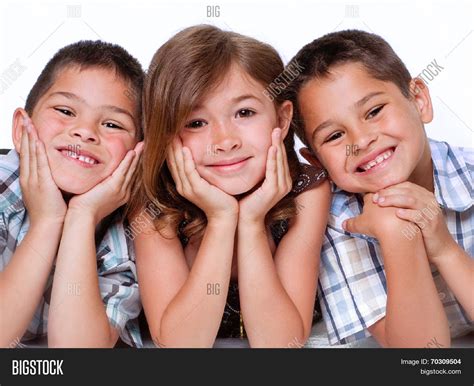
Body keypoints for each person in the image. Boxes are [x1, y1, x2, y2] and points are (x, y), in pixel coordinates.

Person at [128, 25, 331, 348]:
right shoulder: (155, 201)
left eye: (244, 112)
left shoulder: (307, 190)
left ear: (281, 119)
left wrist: (251, 222)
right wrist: (222, 220)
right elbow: (181, 345)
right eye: (195, 123)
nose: (224, 141)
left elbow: (281, 343)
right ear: (166, 134)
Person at [285, 29, 473, 347]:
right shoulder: (337, 221)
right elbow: (422, 360)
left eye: (374, 112)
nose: (361, 141)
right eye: (334, 136)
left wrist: (444, 249)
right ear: (317, 161)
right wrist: (396, 235)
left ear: (419, 100)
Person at [0, 40, 144, 348]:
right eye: (66, 111)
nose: (85, 131)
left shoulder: (131, 232)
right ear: (22, 129)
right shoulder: (3, 188)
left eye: (112, 124)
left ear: (138, 155)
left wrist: (82, 216)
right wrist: (47, 221)